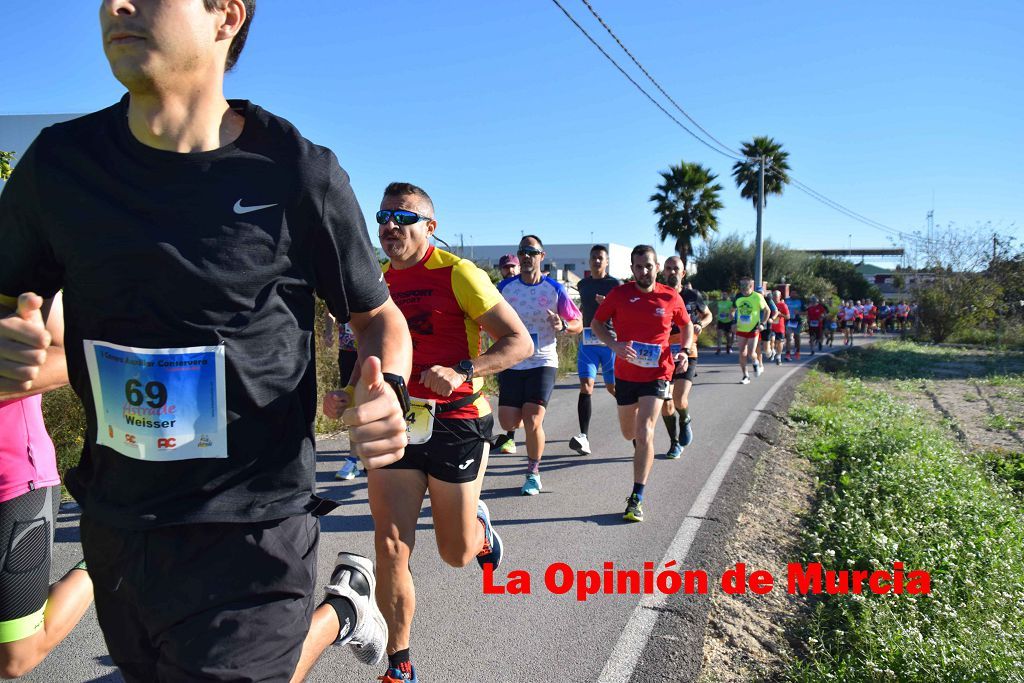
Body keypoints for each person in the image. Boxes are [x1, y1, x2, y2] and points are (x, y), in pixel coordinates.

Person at [0, 3, 415, 680]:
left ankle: (336, 612)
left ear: (225, 15)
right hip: (117, 523)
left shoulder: (296, 173)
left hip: (252, 525)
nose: (116, 6)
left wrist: (388, 386)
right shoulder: (60, 169)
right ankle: (343, 609)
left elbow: (377, 318)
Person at [355, 182, 532, 683]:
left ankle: (479, 531)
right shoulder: (372, 283)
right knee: (390, 546)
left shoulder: (459, 274)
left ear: (430, 227)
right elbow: (364, 350)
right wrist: (345, 395)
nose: (389, 225)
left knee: (454, 553)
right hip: (399, 421)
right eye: (383, 216)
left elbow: (517, 342)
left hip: (456, 419)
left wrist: (464, 370)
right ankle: (400, 662)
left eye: (402, 217)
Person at [0, 292, 94, 679]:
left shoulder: (14, 264)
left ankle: (104, 555)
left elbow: (84, 350)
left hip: (13, 479)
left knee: (15, 656)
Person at [592, 246, 691, 521]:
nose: (643, 271)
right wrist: (614, 344)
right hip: (626, 374)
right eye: (638, 267)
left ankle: (636, 498)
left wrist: (685, 349)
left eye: (648, 266)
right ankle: (641, 449)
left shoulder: (671, 296)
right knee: (629, 433)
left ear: (656, 266)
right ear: (632, 268)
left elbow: (687, 325)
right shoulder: (619, 294)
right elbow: (597, 323)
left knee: (646, 429)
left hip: (658, 373)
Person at [496, 235, 582, 495]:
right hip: (512, 360)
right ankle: (521, 419)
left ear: (541, 256)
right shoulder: (505, 288)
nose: (526, 256)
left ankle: (532, 472)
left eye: (531, 252)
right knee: (509, 423)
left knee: (533, 420)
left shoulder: (554, 289)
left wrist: (563, 325)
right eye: (522, 251)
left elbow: (577, 322)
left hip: (543, 360)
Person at [569, 245, 620, 456]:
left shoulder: (615, 285)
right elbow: (583, 310)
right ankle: (584, 437)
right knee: (586, 386)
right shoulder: (583, 284)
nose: (596, 261)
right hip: (588, 342)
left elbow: (622, 312)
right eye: (593, 258)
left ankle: (633, 415)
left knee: (613, 388)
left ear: (606, 261)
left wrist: (608, 304)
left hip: (609, 342)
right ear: (589, 261)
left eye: (600, 258)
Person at [660, 257, 711, 459]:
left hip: (687, 350)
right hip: (663, 353)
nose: (672, 272)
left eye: (676, 269)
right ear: (663, 272)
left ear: (683, 273)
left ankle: (685, 418)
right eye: (668, 269)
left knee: (679, 399)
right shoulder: (658, 295)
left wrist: (701, 324)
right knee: (666, 401)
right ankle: (674, 443)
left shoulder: (692, 295)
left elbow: (708, 315)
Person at [321, 312, 364, 481]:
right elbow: (330, 312)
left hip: (373, 348)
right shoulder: (339, 286)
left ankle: (374, 457)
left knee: (375, 400)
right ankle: (353, 460)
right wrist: (328, 332)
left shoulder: (383, 285)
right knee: (350, 403)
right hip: (348, 350)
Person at [731, 278, 770, 384]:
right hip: (741, 328)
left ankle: (756, 362)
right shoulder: (738, 296)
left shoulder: (757, 297)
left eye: (745, 286)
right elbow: (733, 310)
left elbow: (767, 310)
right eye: (741, 286)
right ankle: (745, 376)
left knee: (750, 352)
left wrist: (762, 323)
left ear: (750, 287)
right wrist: (733, 322)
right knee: (742, 353)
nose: (743, 289)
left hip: (753, 328)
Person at [769, 290, 789, 365]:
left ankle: (778, 356)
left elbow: (787, 317)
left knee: (779, 342)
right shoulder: (770, 304)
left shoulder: (783, 305)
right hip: (771, 326)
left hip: (780, 327)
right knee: (771, 339)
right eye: (773, 296)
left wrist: (780, 314)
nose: (774, 298)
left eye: (776, 297)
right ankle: (772, 350)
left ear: (780, 297)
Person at [784, 289, 804, 361]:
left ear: (797, 294)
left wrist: (799, 312)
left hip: (797, 321)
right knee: (788, 337)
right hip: (789, 321)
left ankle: (797, 351)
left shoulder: (800, 301)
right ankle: (788, 353)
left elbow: (805, 312)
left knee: (797, 337)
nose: (793, 295)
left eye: (794, 293)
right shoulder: (786, 300)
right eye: (792, 293)